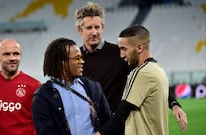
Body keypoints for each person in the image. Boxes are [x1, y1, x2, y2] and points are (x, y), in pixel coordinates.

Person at [74, 1, 187, 132]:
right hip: (88, 126)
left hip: (117, 126)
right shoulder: (74, 59)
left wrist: (174, 104)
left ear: (103, 27)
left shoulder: (121, 54)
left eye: (97, 27)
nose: (94, 32)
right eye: (89, 28)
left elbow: (151, 78)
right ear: (79, 29)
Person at [96, 25, 169, 135]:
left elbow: (123, 112)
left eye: (124, 49)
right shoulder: (159, 71)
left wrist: (99, 134)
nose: (121, 55)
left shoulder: (140, 73)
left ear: (139, 48)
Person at [32, 38, 111, 135]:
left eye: (81, 57)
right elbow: (46, 131)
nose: (82, 61)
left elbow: (108, 121)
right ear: (61, 62)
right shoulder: (43, 96)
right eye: (77, 58)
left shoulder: (93, 87)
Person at [0, 39, 41, 135]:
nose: (12, 58)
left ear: (20, 56)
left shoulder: (34, 85)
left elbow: (38, 123)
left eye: (16, 54)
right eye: (6, 54)